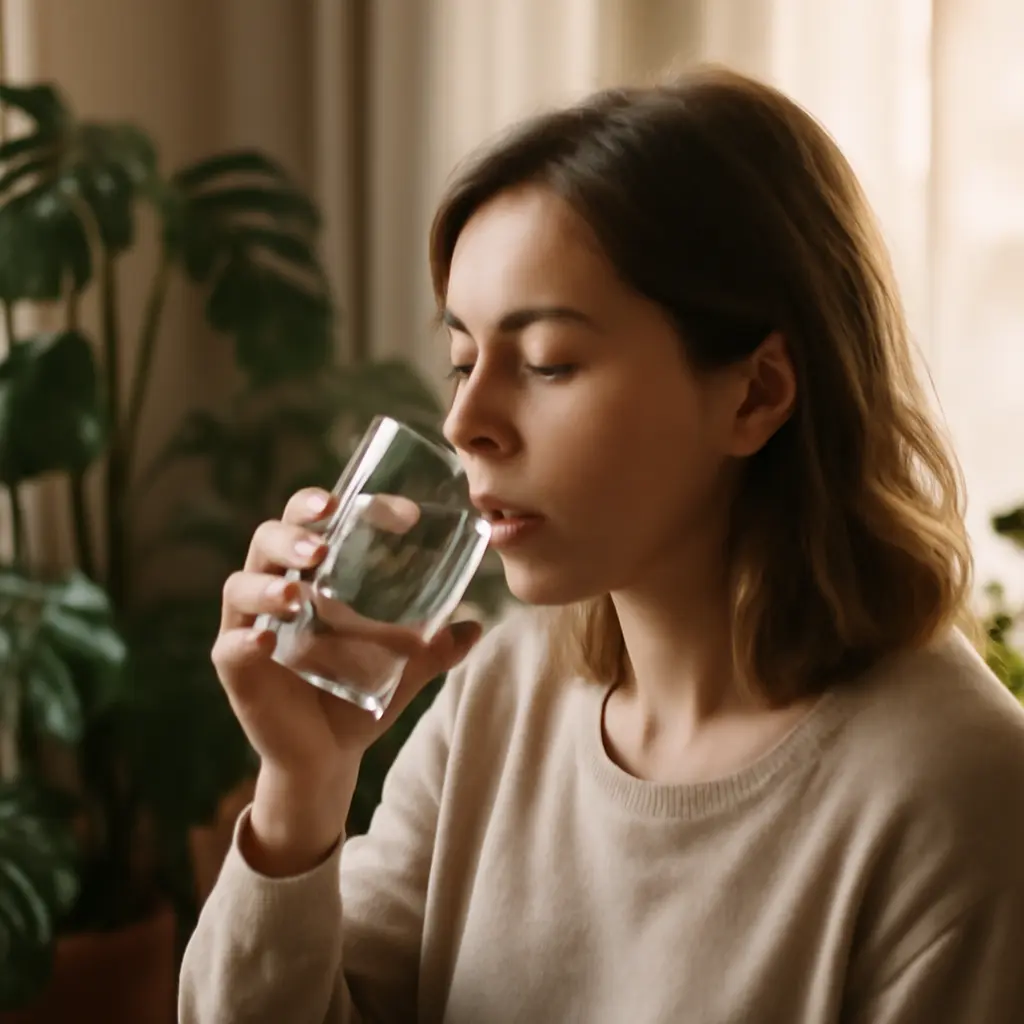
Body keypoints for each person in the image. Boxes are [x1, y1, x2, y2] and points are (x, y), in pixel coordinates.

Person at [179, 67, 1024, 1023]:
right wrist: (302, 790)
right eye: (461, 360)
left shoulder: (958, 794)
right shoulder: (501, 699)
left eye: (547, 363)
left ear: (756, 393)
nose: (466, 421)